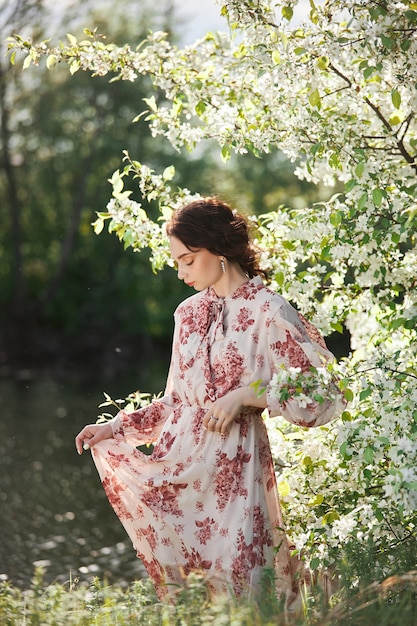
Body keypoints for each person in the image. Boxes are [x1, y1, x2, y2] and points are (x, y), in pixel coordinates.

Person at [75, 197, 345, 603]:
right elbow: (174, 402)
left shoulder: (269, 312)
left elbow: (321, 393)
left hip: (237, 470)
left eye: (188, 259)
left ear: (218, 248)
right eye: (177, 263)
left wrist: (250, 395)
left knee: (244, 593)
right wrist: (113, 427)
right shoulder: (186, 314)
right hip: (183, 467)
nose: (181, 272)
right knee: (195, 597)